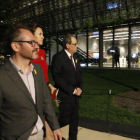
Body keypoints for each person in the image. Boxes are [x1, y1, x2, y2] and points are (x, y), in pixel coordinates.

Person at [0, 23, 62, 140]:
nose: (37, 46)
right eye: (31, 43)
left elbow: (45, 101)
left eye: (36, 42)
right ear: (16, 46)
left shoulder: (37, 69)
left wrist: (55, 126)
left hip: (40, 134)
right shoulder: (2, 76)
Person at [52, 34, 84, 140]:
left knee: (75, 120)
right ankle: (50, 133)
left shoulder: (75, 56)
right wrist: (72, 90)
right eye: (74, 44)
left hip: (76, 96)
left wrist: (80, 88)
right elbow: (57, 78)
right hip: (65, 96)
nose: (77, 46)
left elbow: (79, 74)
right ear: (67, 45)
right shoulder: (58, 58)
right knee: (65, 120)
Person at [29, 23, 56, 140]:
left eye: (43, 34)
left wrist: (49, 84)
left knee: (49, 128)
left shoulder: (42, 53)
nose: (43, 37)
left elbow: (43, 73)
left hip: (45, 91)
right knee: (48, 131)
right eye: (40, 34)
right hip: (36, 94)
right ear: (32, 36)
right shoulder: (29, 54)